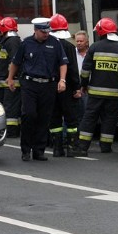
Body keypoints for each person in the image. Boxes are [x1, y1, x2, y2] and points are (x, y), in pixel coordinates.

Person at [7, 17, 68, 161]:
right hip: (30, 84)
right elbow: (15, 62)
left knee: (44, 117)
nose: (46, 34)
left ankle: (39, 151)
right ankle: (26, 150)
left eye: (48, 31)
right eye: (43, 32)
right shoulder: (26, 43)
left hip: (48, 85)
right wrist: (10, 78)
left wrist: (62, 80)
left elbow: (63, 63)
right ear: (35, 30)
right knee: (29, 115)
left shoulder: (55, 43)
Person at [71, 18, 118, 156]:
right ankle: (106, 146)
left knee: (89, 118)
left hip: (95, 92)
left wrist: (83, 85)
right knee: (110, 119)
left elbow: (85, 70)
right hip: (115, 94)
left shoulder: (95, 47)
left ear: (101, 32)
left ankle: (83, 146)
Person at [47, 13, 82, 157]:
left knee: (54, 117)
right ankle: (72, 147)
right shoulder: (68, 46)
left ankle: (57, 148)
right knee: (71, 118)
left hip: (50, 87)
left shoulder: (46, 45)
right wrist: (77, 87)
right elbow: (73, 69)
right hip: (66, 87)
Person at [0, 16, 22, 137]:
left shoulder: (12, 41)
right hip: (8, 82)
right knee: (9, 107)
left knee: (11, 108)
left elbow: (14, 61)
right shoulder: (9, 41)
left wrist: (10, 77)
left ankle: (12, 132)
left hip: (12, 83)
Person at [74, 30, 90, 123]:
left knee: (86, 112)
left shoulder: (91, 54)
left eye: (81, 41)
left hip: (87, 86)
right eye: (77, 41)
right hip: (75, 85)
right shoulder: (72, 53)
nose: (79, 43)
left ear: (87, 42)